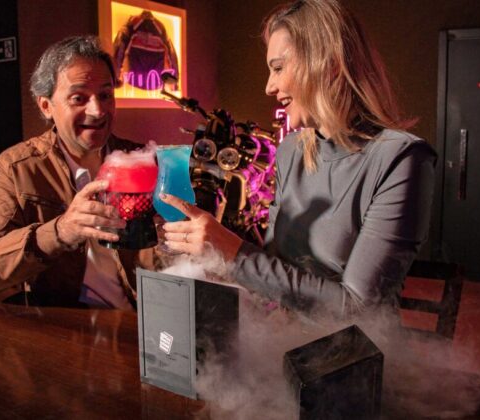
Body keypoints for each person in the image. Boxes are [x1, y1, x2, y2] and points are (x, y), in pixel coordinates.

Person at [159, 0, 437, 317]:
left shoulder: (401, 158)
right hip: (283, 334)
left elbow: (358, 310)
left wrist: (236, 254)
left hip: (354, 343)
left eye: (278, 68)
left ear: (330, 63)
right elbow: (275, 275)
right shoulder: (292, 150)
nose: (269, 86)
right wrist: (217, 263)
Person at [0, 36, 153, 308]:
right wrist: (61, 231)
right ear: (46, 106)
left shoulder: (139, 159)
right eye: (79, 98)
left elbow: (166, 259)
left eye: (105, 95)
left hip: (139, 318)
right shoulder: (19, 167)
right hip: (65, 325)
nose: (97, 110)